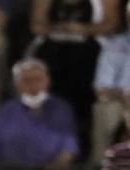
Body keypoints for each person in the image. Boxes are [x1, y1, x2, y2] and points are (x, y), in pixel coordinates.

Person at [28, 0, 114, 140]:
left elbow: (112, 25)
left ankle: (81, 135)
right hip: (53, 50)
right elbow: (36, 25)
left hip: (87, 50)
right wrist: (58, 28)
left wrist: (83, 29)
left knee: (83, 80)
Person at [90, 2, 130, 170]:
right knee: (106, 109)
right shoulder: (115, 46)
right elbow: (102, 91)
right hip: (123, 105)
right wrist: (124, 97)